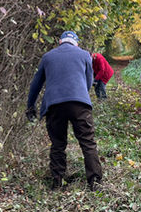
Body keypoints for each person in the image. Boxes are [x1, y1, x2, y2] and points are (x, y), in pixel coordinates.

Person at [25, 31, 103, 191]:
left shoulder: (48, 57)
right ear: (76, 43)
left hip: (54, 104)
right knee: (87, 142)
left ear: (60, 41)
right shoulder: (84, 55)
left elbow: (35, 84)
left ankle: (57, 182)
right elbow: (88, 82)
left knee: (58, 144)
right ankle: (95, 182)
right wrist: (79, 94)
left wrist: (30, 106)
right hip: (79, 103)